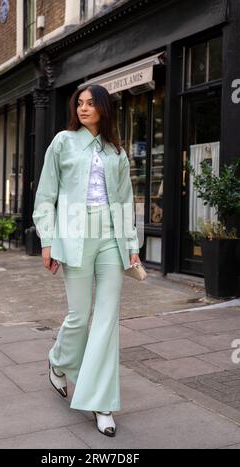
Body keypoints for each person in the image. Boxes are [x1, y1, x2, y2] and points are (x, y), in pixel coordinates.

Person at [33, 84, 140, 437]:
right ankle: (58, 360)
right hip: (75, 235)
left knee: (107, 320)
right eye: (79, 103)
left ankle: (101, 403)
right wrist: (48, 241)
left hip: (110, 236)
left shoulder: (117, 153)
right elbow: (46, 194)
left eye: (90, 103)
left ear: (104, 108)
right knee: (79, 317)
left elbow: (125, 202)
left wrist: (131, 245)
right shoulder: (63, 142)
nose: (83, 108)